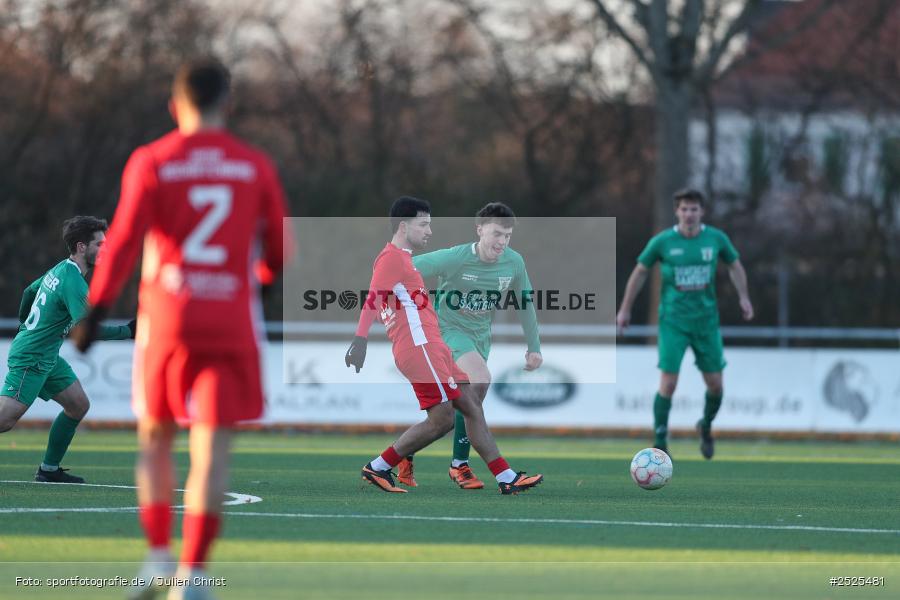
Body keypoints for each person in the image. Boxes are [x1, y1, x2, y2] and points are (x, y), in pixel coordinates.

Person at [72, 57, 290, 600]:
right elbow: (280, 251)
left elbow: (120, 243)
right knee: (211, 447)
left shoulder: (153, 159)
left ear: (175, 106)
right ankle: (192, 576)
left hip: (169, 321)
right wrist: (255, 287)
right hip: (230, 323)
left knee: (155, 436)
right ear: (228, 105)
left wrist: (95, 315)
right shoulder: (254, 164)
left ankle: (156, 559)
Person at [344, 196, 543, 495]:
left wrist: (534, 345)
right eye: (424, 225)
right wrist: (362, 337)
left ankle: (505, 477)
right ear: (479, 230)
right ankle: (419, 464)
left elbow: (525, 303)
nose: (501, 241)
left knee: (470, 406)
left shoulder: (512, 263)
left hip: (447, 341)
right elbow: (379, 288)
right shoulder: (411, 258)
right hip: (432, 339)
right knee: (455, 407)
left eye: (507, 236)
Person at [616, 188, 753, 459]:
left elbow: (735, 265)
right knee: (668, 383)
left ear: (701, 212)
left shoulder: (715, 239)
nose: (689, 214)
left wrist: (744, 297)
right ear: (677, 212)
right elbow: (640, 272)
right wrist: (625, 309)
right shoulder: (663, 242)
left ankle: (705, 425)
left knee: (715, 384)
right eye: (684, 209)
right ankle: (660, 441)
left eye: (694, 209)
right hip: (673, 322)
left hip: (706, 323)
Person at [0, 216, 135, 484]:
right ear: (82, 247)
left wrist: (26, 326)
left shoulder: (61, 269)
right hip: (32, 357)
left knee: (78, 405)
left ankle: (49, 470)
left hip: (46, 354)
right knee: (5, 421)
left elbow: (29, 292)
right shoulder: (73, 281)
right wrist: (128, 331)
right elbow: (85, 328)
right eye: (100, 244)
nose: (105, 249)